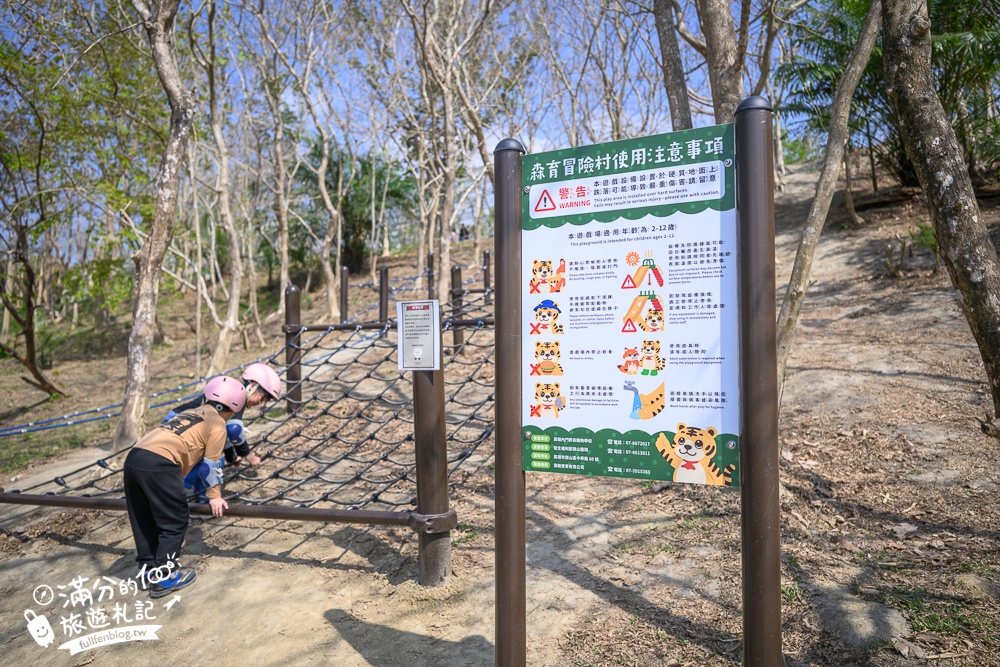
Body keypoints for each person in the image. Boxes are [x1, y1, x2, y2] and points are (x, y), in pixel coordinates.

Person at [123, 376, 246, 597]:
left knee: (144, 516)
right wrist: (215, 496)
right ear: (233, 409)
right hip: (161, 463)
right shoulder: (218, 423)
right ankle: (165, 577)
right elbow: (209, 466)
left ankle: (148, 571)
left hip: (135, 457)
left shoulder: (189, 413)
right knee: (175, 519)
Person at [164, 363, 283, 475]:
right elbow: (233, 429)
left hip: (177, 420)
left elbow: (222, 430)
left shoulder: (231, 390)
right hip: (181, 424)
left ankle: (195, 494)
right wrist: (247, 455)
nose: (260, 403)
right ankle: (192, 494)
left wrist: (232, 457)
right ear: (252, 386)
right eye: (261, 399)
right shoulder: (237, 396)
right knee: (210, 462)